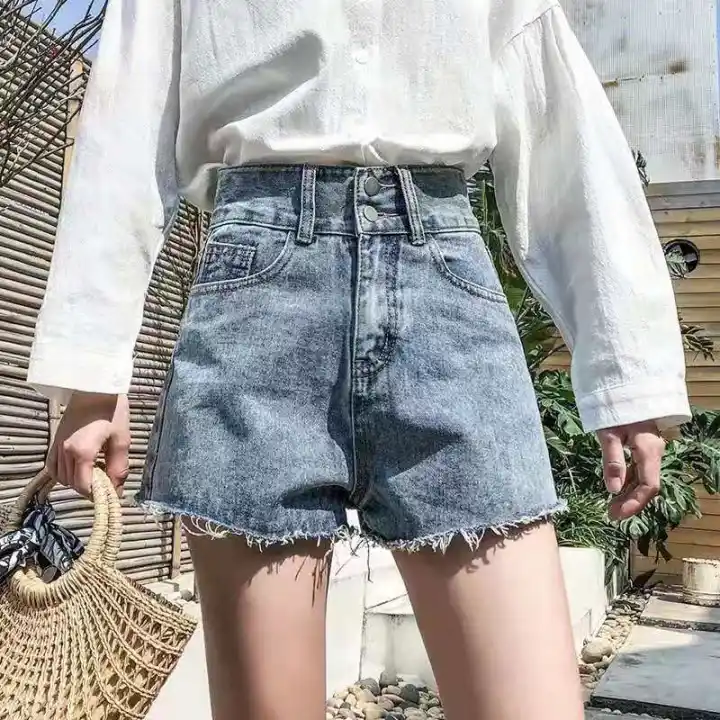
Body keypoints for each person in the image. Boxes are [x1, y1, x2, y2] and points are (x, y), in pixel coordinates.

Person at [27, 1, 689, 719]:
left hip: (445, 295)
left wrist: (629, 375)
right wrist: (90, 375)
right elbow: (125, 130)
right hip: (259, 302)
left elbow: (562, 130)